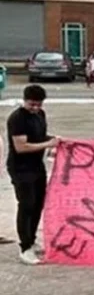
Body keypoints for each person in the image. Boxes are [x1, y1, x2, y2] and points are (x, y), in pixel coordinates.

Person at [6, 85, 60, 265]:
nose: (35, 108)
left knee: (38, 204)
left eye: (39, 104)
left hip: (37, 166)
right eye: (32, 104)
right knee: (26, 205)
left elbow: (41, 137)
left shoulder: (40, 115)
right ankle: (24, 247)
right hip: (21, 169)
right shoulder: (17, 118)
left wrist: (56, 142)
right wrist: (48, 145)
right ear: (25, 100)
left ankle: (31, 239)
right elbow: (21, 147)